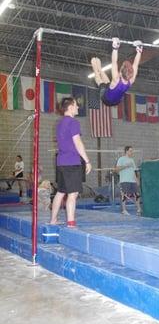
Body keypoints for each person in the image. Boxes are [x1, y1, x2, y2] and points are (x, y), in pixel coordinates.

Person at [49, 97, 92, 227]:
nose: (78, 107)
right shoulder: (73, 122)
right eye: (76, 105)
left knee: (60, 192)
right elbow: (78, 142)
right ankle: (71, 223)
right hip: (71, 162)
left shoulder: (60, 123)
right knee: (72, 194)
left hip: (61, 162)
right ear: (71, 107)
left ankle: (53, 220)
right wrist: (87, 160)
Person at [90, 37, 143, 106]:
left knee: (100, 82)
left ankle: (95, 67)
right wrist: (139, 51)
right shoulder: (131, 80)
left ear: (120, 73)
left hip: (106, 99)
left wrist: (115, 48)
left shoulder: (118, 79)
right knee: (109, 84)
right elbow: (135, 64)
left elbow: (114, 62)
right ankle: (100, 69)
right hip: (116, 100)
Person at [115, 146, 141, 216]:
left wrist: (137, 180)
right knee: (124, 195)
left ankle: (139, 209)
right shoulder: (121, 159)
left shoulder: (132, 160)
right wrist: (125, 166)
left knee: (137, 195)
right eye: (130, 151)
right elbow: (116, 169)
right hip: (125, 180)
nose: (131, 152)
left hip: (132, 181)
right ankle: (124, 210)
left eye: (132, 151)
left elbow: (134, 171)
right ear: (126, 151)